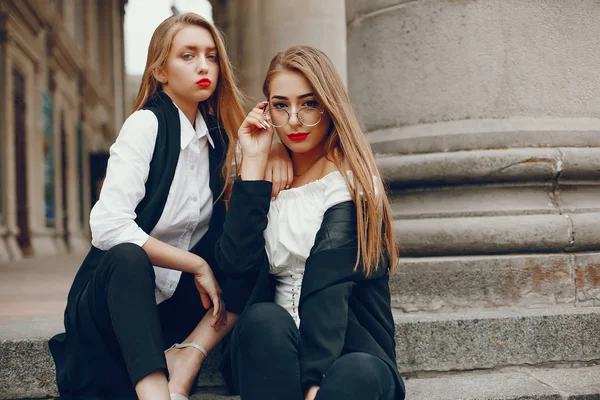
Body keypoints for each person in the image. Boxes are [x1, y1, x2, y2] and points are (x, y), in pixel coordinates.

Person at [48, 13, 290, 400]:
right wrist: (195, 263)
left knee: (254, 249)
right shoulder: (146, 125)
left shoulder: (217, 141)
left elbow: (244, 217)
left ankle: (187, 359)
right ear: (161, 70)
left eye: (211, 56)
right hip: (112, 308)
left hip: (172, 316)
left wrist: (276, 152)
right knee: (129, 256)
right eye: (188, 56)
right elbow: (108, 226)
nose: (203, 66)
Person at [216, 46, 406, 400]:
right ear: (266, 109)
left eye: (309, 104)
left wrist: (314, 383)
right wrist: (254, 166)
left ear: (329, 106)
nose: (293, 120)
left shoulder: (353, 181)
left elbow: (328, 285)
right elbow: (236, 271)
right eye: (280, 105)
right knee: (262, 319)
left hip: (349, 347)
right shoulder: (263, 178)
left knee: (357, 373)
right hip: (271, 351)